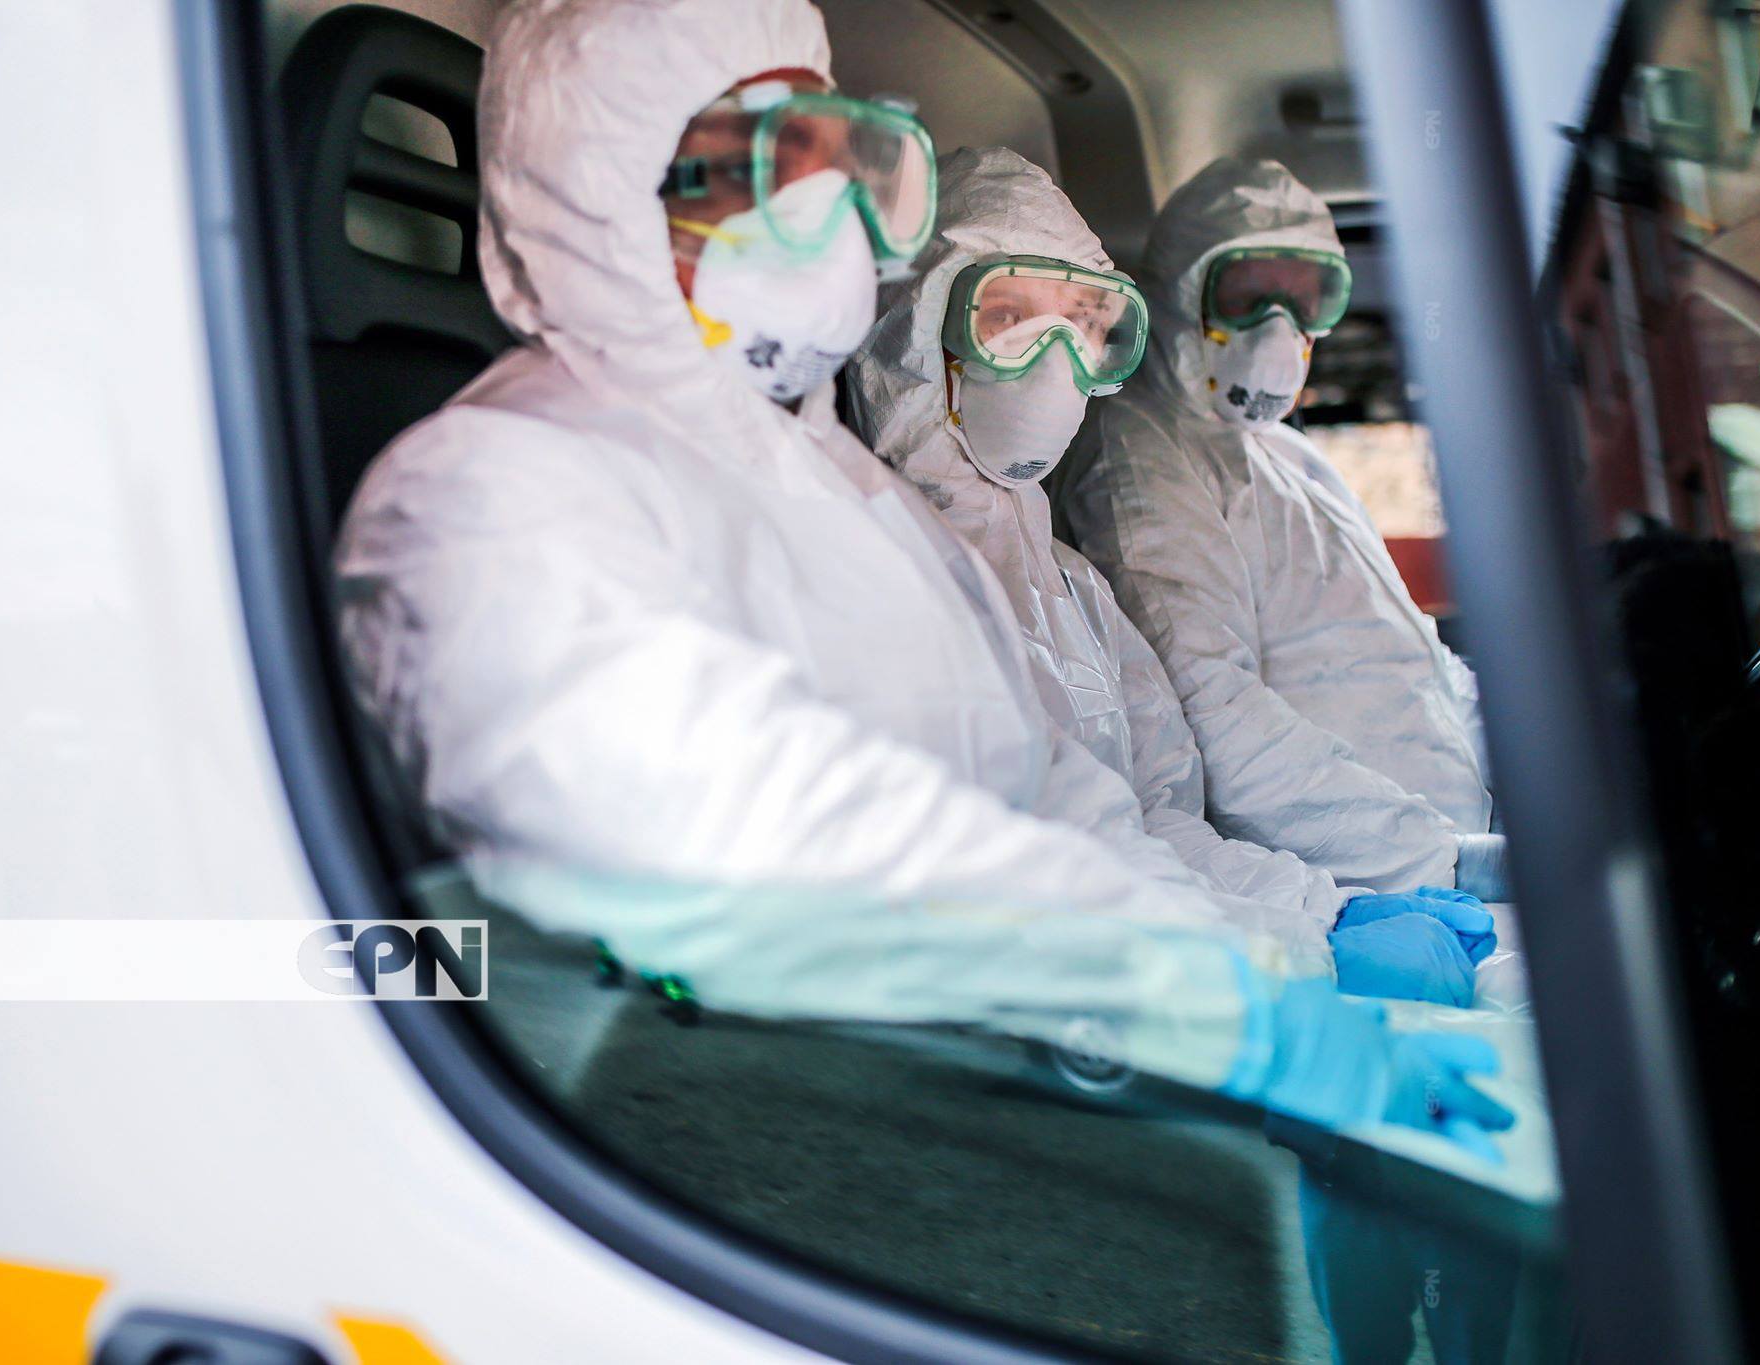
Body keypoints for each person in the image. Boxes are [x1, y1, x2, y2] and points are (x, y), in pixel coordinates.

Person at [335, 0, 1510, 1151]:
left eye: (831, 168)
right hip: (742, 1128)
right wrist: (1224, 1007)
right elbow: (760, 837)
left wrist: (1301, 937)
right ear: (600, 187)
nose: (819, 219)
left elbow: (1064, 805)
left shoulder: (849, 498)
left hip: (957, 1077)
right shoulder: (490, 493)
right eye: (753, 172)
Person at [845, 147, 1493, 1005]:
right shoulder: (868, 570)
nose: (1056, 358)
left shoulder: (1073, 586)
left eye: (1081, 323)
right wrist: (1316, 941)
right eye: (1009, 316)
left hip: (1214, 950)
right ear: (918, 326)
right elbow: (1032, 873)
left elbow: (1160, 822)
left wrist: (1329, 909)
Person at [1060, 158, 1509, 900]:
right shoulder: (1140, 454)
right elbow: (1217, 718)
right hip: (1373, 887)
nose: (1280, 329)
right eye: (1248, 298)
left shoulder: (1288, 455)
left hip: (1447, 859)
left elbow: (1417, 660)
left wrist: (1524, 772)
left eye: (1304, 302)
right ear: (1178, 290)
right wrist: (1447, 860)